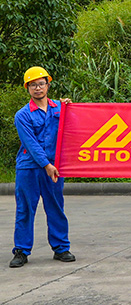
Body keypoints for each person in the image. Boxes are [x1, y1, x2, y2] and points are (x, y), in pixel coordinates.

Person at [9, 66, 75, 268]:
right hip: (29, 168)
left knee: (55, 206)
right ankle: (21, 250)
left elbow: (75, 126)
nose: (37, 88)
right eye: (33, 85)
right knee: (25, 209)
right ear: (27, 88)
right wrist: (46, 165)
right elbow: (31, 144)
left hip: (55, 167)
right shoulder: (22, 115)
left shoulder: (60, 109)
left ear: (48, 85)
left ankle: (61, 248)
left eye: (41, 84)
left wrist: (71, 107)